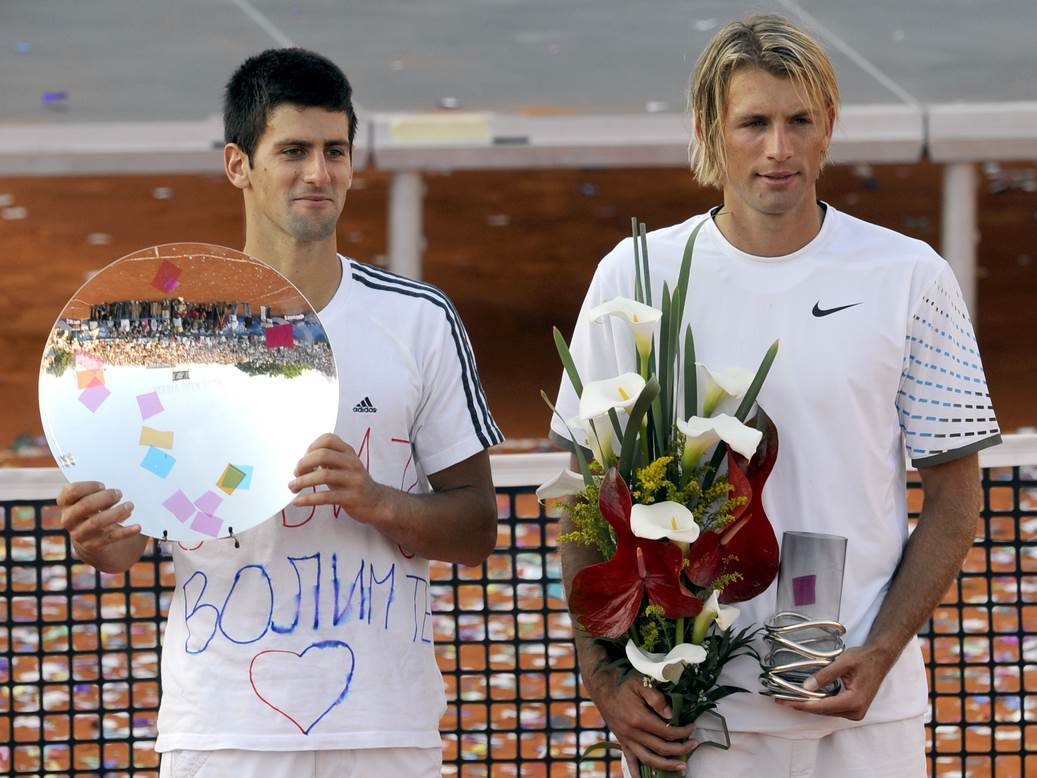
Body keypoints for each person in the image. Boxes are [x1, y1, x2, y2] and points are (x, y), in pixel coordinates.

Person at [551, 15, 1000, 778]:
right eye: (753, 123)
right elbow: (584, 491)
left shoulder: (911, 277)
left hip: (862, 708)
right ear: (708, 130)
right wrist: (603, 675)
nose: (778, 150)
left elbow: (956, 500)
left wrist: (881, 651)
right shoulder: (633, 275)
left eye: (799, 122)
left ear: (829, 128)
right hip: (692, 715)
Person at [56, 48, 503, 778]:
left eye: (335, 151)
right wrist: (100, 541)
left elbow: (477, 528)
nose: (318, 173)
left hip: (384, 730)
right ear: (238, 165)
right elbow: (126, 546)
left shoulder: (419, 320)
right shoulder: (165, 335)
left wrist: (378, 501)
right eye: (292, 151)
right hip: (221, 734)